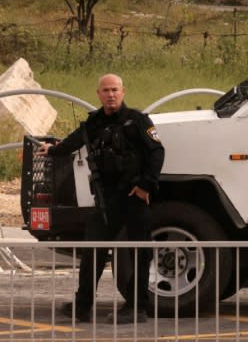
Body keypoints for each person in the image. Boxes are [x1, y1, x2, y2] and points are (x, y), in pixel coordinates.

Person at [38, 73, 165, 324]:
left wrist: (145, 186)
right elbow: (74, 142)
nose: (111, 94)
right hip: (107, 200)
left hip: (134, 196)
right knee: (92, 251)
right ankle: (82, 306)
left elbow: (157, 152)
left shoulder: (137, 120)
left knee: (139, 252)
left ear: (123, 92)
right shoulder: (94, 123)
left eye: (115, 90)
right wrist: (52, 150)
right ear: (98, 94)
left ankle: (137, 307)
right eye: (106, 90)